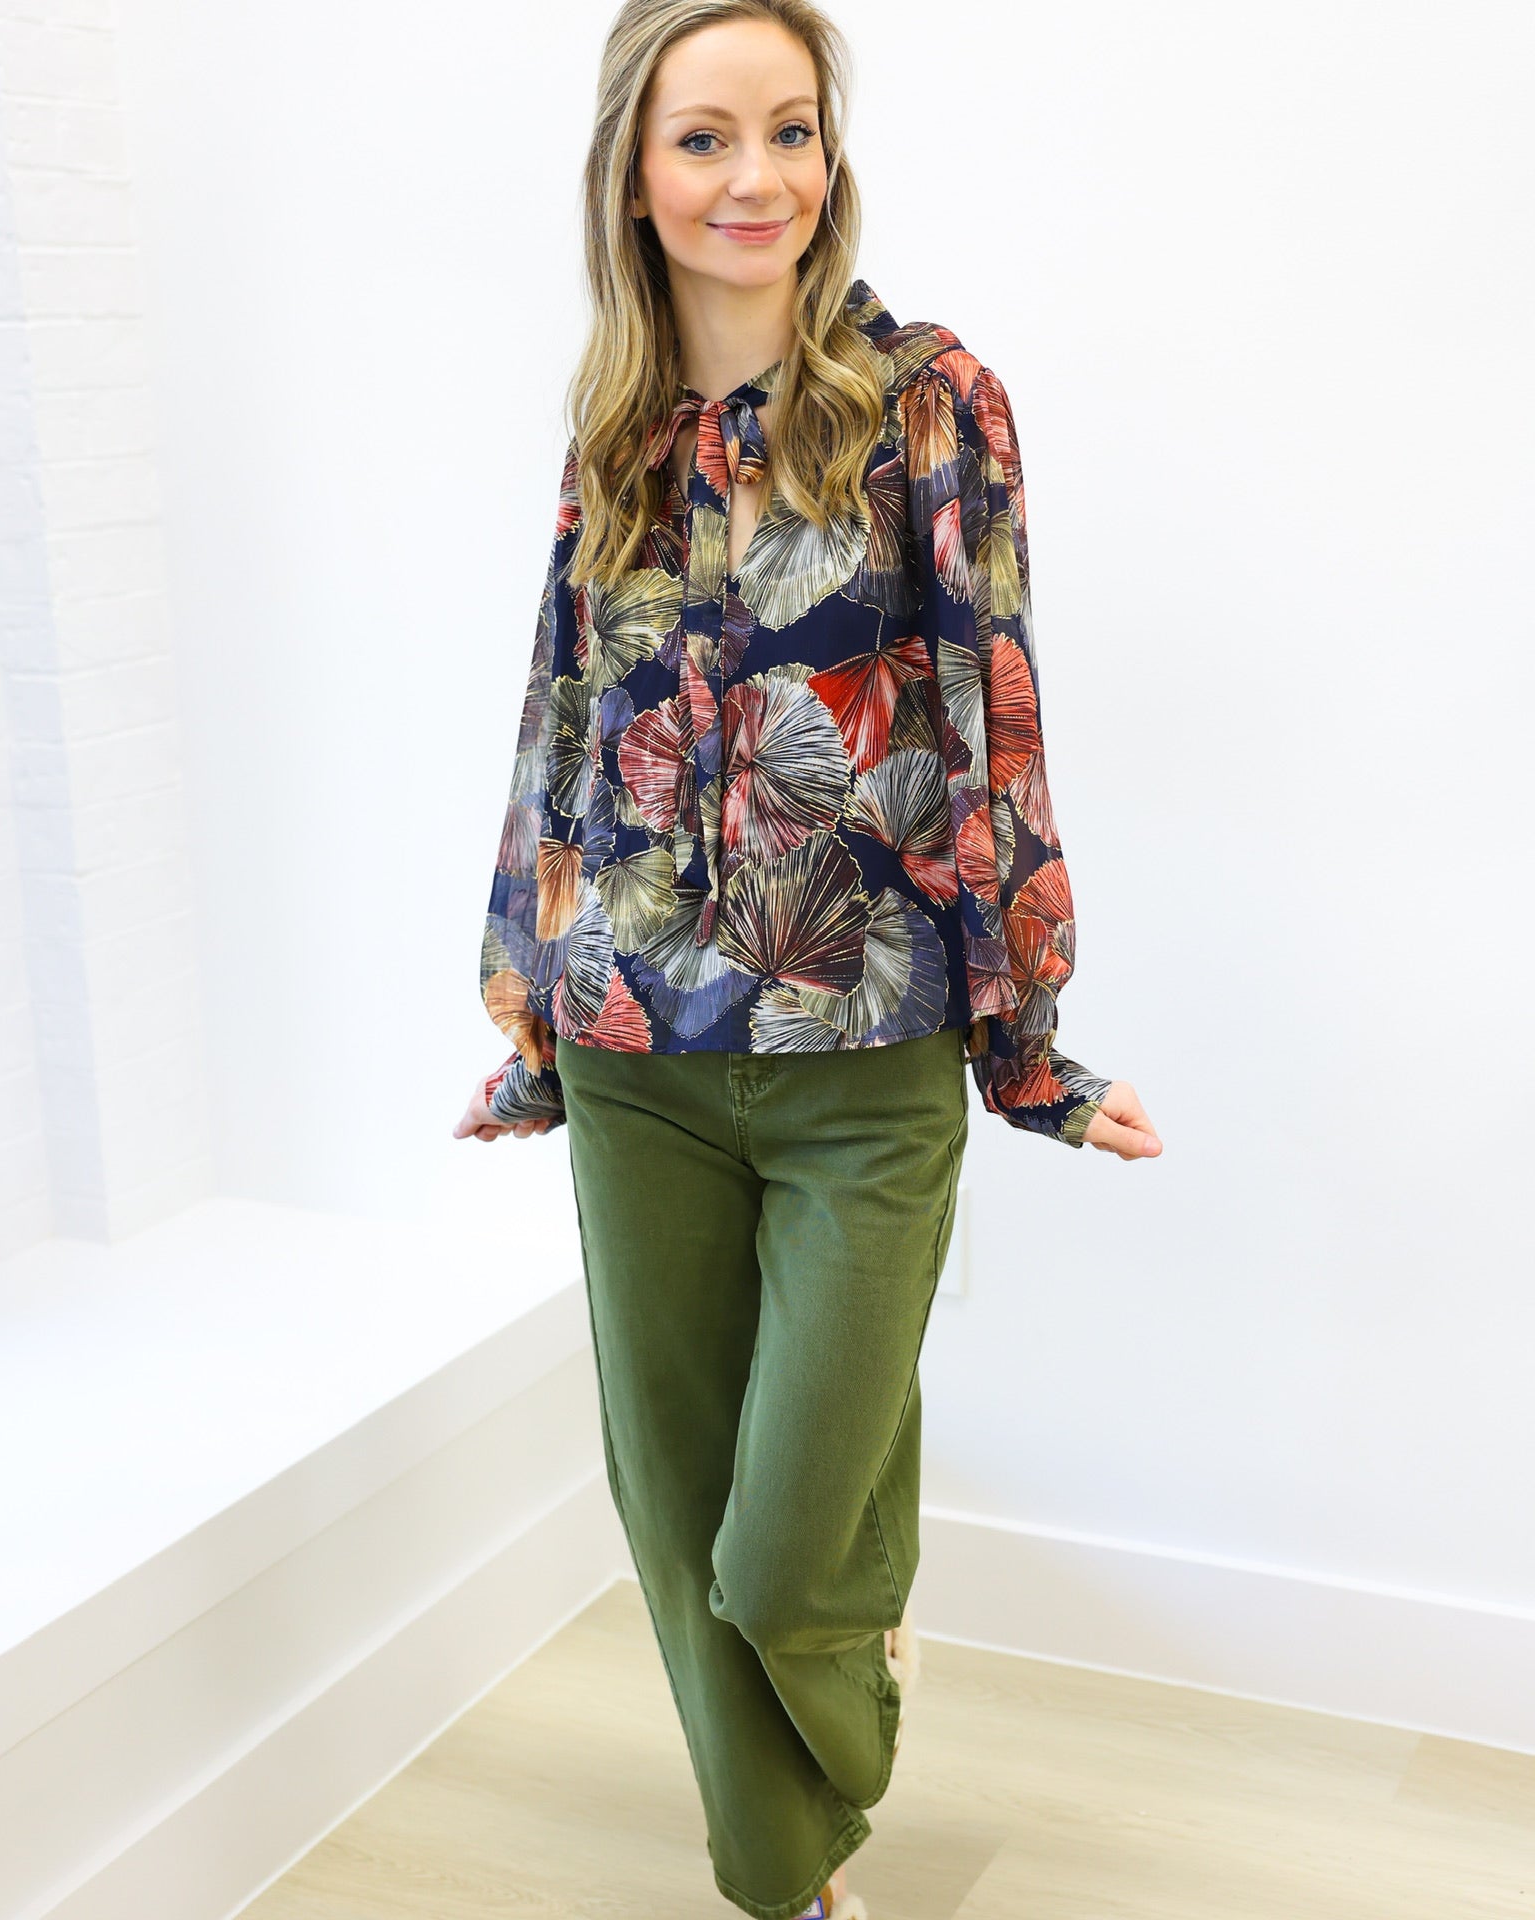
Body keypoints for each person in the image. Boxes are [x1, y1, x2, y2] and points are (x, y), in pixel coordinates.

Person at [453, 3, 1162, 1913]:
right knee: (675, 1515)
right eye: (704, 138)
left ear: (828, 155)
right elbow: (563, 717)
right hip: (634, 1057)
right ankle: (782, 1887)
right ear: (634, 167)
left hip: (864, 1068)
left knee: (783, 1565)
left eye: (790, 130)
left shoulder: (928, 399)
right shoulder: (616, 425)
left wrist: (1029, 1048)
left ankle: (842, 1656)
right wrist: (529, 1013)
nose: (755, 176)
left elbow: (989, 713)